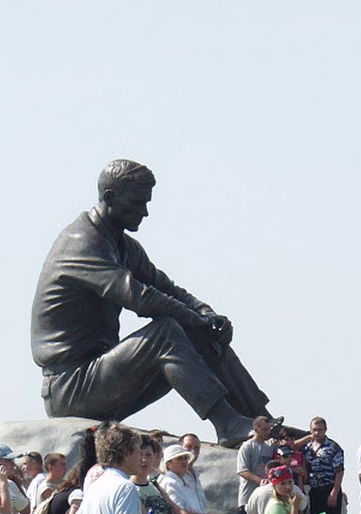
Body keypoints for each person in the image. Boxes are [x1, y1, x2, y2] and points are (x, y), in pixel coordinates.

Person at [30, 159, 271, 446]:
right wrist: (194, 319)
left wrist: (206, 315)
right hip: (70, 388)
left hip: (100, 377)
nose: (144, 211)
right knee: (167, 332)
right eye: (136, 203)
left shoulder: (124, 246)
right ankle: (228, 423)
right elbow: (140, 298)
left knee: (196, 332)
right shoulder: (81, 243)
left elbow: (167, 289)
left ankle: (260, 421)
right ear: (109, 198)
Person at [302, 417, 345, 514]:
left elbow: (339, 471)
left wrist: (335, 491)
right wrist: (307, 438)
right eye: (314, 430)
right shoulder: (307, 447)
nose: (317, 432)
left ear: (325, 430)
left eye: (320, 429)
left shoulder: (333, 447)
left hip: (330, 489)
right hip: (315, 490)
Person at [236, 416, 276, 514]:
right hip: (248, 497)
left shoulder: (269, 447)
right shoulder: (247, 447)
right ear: (256, 429)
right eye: (265, 429)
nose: (267, 432)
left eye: (269, 429)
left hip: (264, 501)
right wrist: (260, 481)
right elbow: (242, 471)